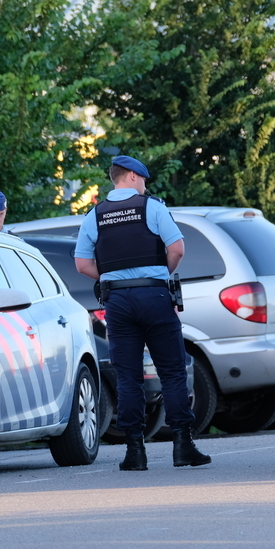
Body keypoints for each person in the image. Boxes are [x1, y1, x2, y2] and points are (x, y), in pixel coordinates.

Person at [74, 155, 210, 471]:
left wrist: (111, 276)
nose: (145, 186)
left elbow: (82, 265)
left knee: (128, 376)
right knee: (173, 371)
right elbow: (177, 249)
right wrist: (160, 273)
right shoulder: (152, 208)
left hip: (118, 303)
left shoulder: (94, 216)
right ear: (133, 177)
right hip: (155, 295)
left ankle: (135, 451)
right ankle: (182, 446)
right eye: (143, 180)